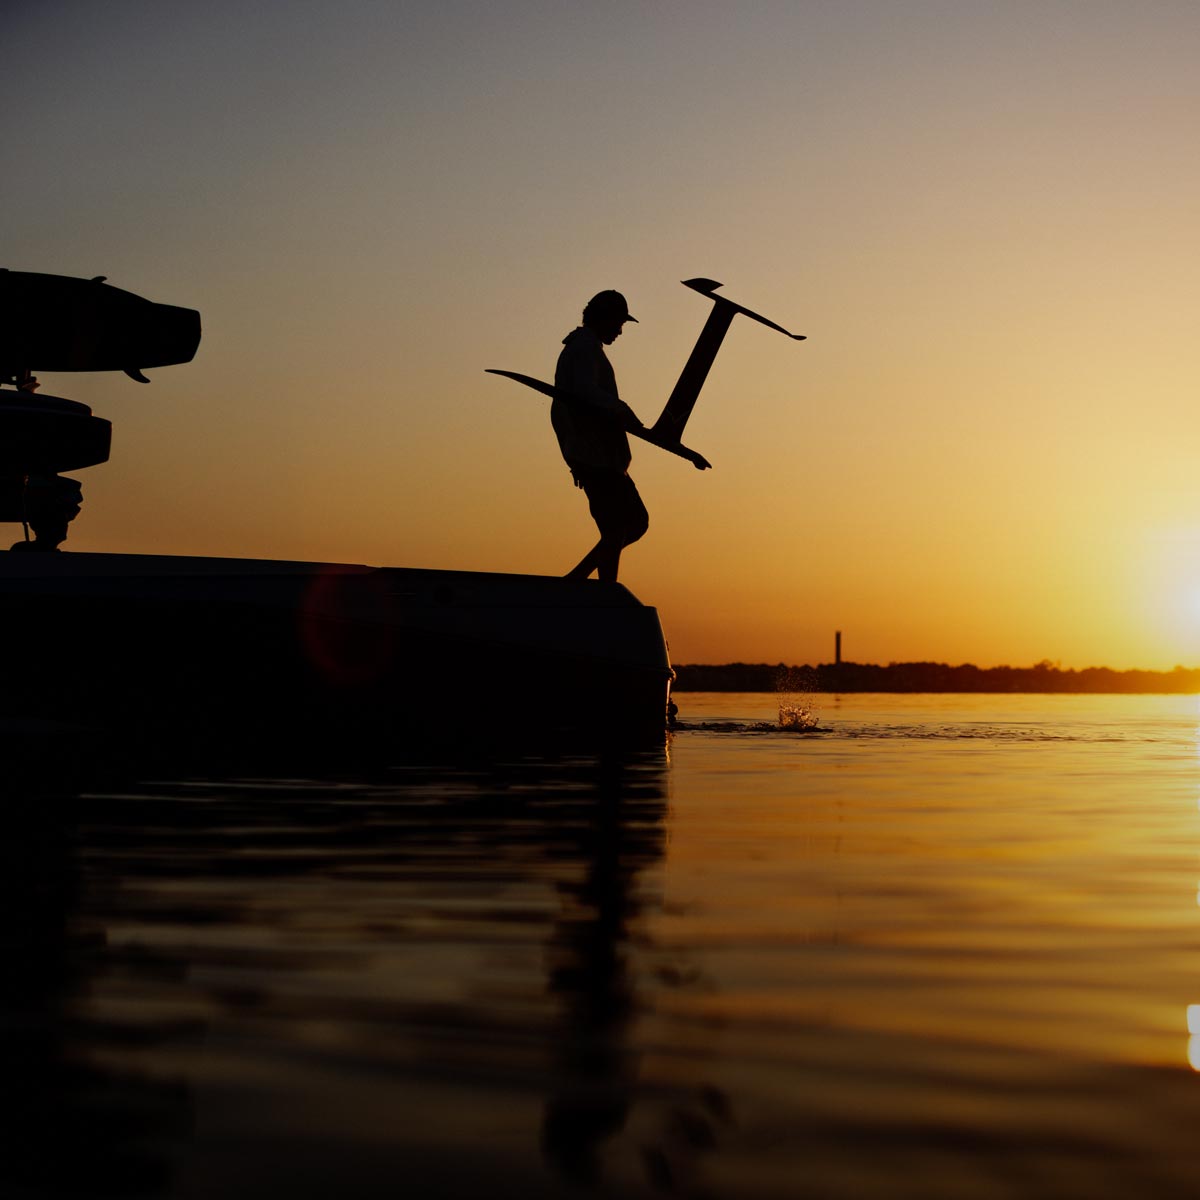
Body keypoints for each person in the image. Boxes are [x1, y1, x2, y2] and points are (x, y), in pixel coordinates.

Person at [552, 290, 649, 582]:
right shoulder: (583, 349)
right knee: (629, 525)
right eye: (618, 323)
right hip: (595, 456)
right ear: (604, 319)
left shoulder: (586, 347)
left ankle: (605, 588)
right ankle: (576, 581)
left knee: (619, 527)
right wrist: (621, 409)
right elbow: (580, 394)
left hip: (597, 456)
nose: (620, 331)